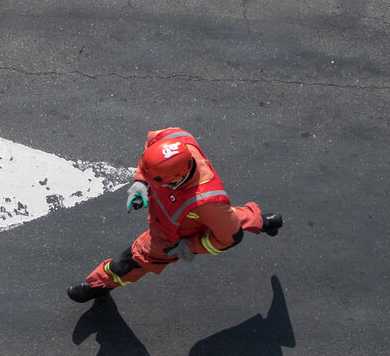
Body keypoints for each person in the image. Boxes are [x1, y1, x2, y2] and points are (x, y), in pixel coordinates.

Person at [67, 127, 283, 303]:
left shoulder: (206, 203)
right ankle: (265, 222)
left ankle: (99, 284)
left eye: (156, 182)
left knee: (132, 260)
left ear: (177, 180)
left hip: (170, 238)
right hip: (198, 217)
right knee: (227, 219)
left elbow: (231, 239)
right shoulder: (173, 138)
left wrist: (189, 247)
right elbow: (150, 146)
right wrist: (141, 182)